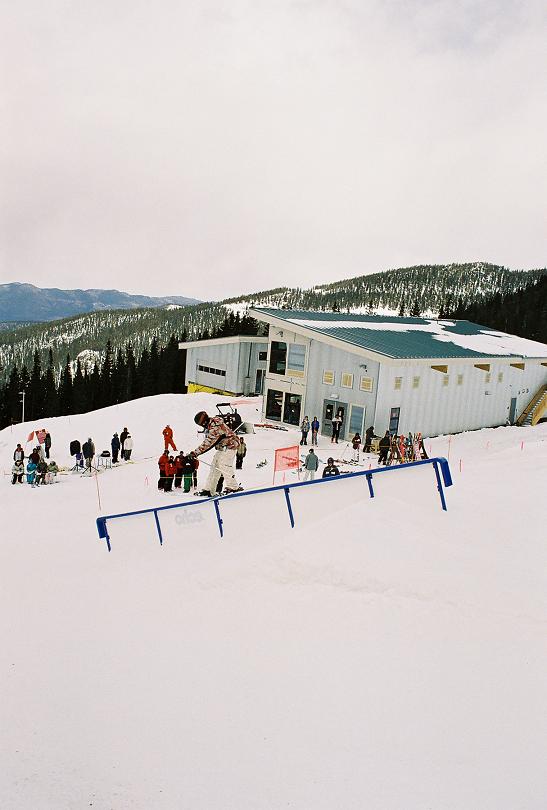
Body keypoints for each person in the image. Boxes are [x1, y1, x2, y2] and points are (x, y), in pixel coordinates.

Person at [191, 410, 241, 497]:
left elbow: (209, 442)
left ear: (204, 422)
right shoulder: (213, 423)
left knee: (224, 465)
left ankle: (233, 487)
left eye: (201, 424)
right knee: (214, 467)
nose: (203, 426)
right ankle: (209, 490)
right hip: (222, 448)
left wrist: (195, 453)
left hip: (230, 446)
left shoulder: (215, 427)